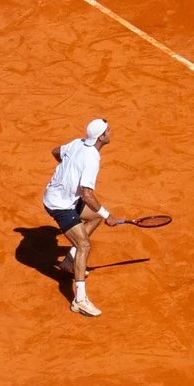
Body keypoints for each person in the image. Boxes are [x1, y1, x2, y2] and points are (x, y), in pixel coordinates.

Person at [42, 118, 115, 317]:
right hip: (59, 205)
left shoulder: (77, 143)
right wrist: (108, 215)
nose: (111, 132)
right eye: (108, 130)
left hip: (61, 196)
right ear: (101, 137)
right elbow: (87, 194)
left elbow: (56, 151)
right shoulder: (92, 158)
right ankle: (79, 300)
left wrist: (67, 173)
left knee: (94, 217)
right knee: (84, 245)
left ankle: (68, 263)